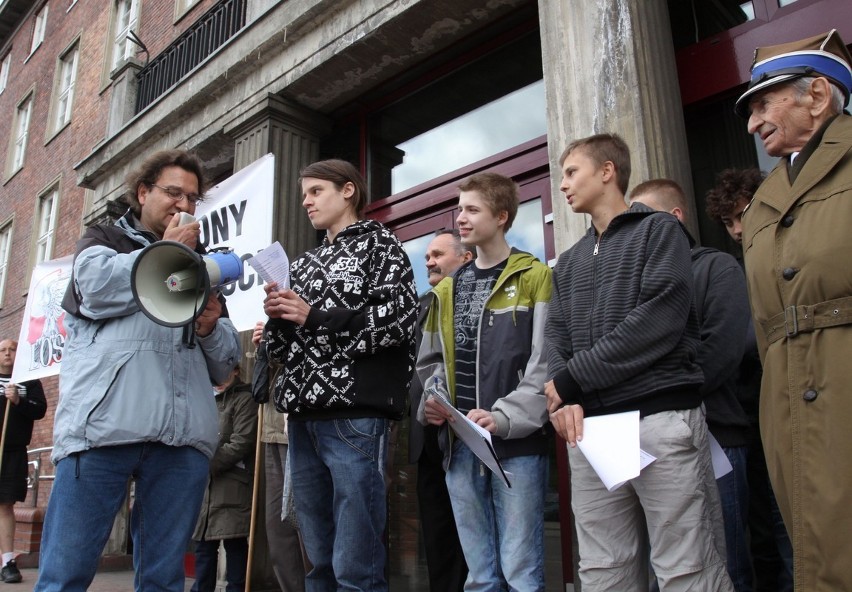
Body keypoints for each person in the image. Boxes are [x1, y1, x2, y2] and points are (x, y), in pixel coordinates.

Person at [35, 149, 241, 592]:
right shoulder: (103, 239)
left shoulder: (202, 264)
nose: (183, 205)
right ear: (143, 192)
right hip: (102, 430)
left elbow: (225, 363)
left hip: (180, 439)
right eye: (172, 192)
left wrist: (208, 327)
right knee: (65, 573)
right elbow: (95, 289)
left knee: (165, 579)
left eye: (191, 197)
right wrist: (171, 253)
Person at [545, 133, 733, 590]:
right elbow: (556, 336)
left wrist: (573, 378)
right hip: (593, 434)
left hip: (659, 419)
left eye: (572, 172)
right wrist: (561, 395)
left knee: (686, 568)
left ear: (607, 171)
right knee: (603, 571)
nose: (563, 185)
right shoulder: (567, 264)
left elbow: (660, 318)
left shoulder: (660, 230)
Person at [263, 159, 418, 591]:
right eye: (304, 195)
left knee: (356, 565)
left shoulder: (381, 244)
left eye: (316, 191)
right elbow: (280, 351)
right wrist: (277, 320)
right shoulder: (303, 263)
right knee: (320, 565)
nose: (307, 202)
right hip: (302, 420)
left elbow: (399, 321)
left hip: (355, 415)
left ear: (348, 190)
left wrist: (314, 318)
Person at [734, 28, 852, 590]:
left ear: (818, 95)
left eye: (763, 104)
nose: (753, 123)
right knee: (810, 553)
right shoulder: (761, 205)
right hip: (786, 400)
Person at [417, 172, 552, 591]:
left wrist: (504, 416)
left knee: (521, 571)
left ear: (502, 216)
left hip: (517, 447)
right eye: (460, 208)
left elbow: (545, 361)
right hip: (460, 448)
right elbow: (431, 363)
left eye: (472, 209)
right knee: (479, 576)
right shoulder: (445, 291)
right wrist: (434, 399)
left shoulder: (534, 277)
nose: (461, 217)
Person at [630, 179, 753, 591]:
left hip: (718, 434)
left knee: (726, 561)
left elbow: (722, 349)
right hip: (653, 445)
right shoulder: (639, 284)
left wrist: (662, 393)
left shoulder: (716, 267)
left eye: (641, 217)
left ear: (674, 218)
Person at [706, 169, 794, 592]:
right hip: (745, 417)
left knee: (788, 523)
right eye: (728, 222)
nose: (738, 229)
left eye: (744, 215)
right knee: (759, 524)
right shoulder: (731, 270)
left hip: (790, 405)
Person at [408, 230, 471, 592]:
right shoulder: (421, 305)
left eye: (437, 254)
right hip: (426, 441)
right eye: (427, 255)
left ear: (464, 259)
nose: (428, 261)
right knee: (438, 540)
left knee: (472, 542)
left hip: (465, 436)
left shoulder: (475, 300)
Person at [190, 365, 257, 592]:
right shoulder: (202, 398)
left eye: (224, 371)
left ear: (236, 371)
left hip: (233, 483)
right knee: (202, 548)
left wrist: (205, 463)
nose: (218, 378)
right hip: (204, 486)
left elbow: (242, 441)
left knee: (235, 543)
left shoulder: (245, 398)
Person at [251, 321, 306, 592]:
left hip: (305, 425)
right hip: (273, 427)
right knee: (277, 528)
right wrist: (264, 345)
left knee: (307, 525)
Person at [0, 339, 46, 584]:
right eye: (3, 350)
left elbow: (40, 410)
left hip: (14, 452)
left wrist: (18, 401)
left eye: (12, 349)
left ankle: (7, 562)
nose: (8, 353)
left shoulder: (28, 381)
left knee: (6, 504)